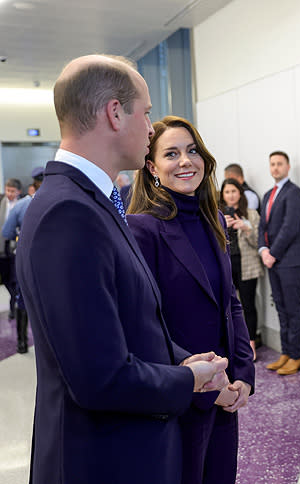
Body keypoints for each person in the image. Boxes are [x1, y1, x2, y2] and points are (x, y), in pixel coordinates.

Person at [15, 54, 229, 484]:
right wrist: (186, 380)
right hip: (102, 460)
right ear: (115, 113)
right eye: (146, 112)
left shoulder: (91, 203)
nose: (150, 128)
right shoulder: (68, 213)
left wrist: (184, 358)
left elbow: (130, 325)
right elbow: (100, 378)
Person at [128, 115, 255, 484]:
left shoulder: (212, 218)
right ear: (152, 166)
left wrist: (242, 376)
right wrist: (204, 384)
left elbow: (230, 301)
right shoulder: (142, 228)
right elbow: (145, 324)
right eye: (171, 153)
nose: (185, 161)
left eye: (192, 150)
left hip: (225, 391)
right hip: (180, 395)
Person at [259, 150, 300, 375]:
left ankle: (297, 356)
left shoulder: (294, 193)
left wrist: (273, 254)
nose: (275, 168)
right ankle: (286, 353)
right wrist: (262, 250)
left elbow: (290, 228)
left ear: (288, 167)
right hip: (273, 260)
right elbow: (263, 226)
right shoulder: (268, 194)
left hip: (290, 260)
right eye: (272, 164)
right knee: (280, 307)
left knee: (292, 308)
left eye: (280, 164)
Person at [3, 167, 46, 354]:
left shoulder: (22, 206)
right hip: (53, 263)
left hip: (26, 259)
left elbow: (7, 233)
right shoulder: (63, 201)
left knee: (23, 299)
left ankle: (22, 343)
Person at [220, 178, 264, 360]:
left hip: (247, 266)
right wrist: (224, 227)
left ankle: (251, 344)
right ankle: (232, 343)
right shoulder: (217, 215)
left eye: (234, 191)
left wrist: (246, 228)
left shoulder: (252, 213)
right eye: (227, 192)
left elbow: (259, 242)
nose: (231, 195)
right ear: (222, 195)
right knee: (228, 306)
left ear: (240, 193)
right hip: (226, 266)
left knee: (248, 305)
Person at [0, 178, 21, 319]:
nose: (9, 193)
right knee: (6, 279)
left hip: (14, 246)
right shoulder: (1, 203)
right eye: (8, 190)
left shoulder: (21, 205)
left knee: (14, 279)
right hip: (2, 246)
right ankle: (14, 297)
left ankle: (14, 306)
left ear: (18, 192)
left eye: (12, 191)